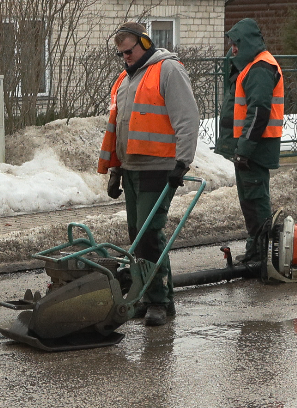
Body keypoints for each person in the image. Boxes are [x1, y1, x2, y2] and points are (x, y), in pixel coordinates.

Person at [99, 22, 199, 327]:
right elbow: (119, 128)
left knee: (148, 235)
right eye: (121, 53)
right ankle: (148, 294)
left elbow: (187, 118)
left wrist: (181, 164)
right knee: (136, 236)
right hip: (130, 169)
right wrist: (115, 169)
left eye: (129, 51)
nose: (125, 56)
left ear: (145, 43)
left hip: (159, 168)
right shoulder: (124, 80)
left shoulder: (168, 70)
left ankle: (159, 301)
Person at [214, 18, 284, 263]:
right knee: (251, 201)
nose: (232, 49)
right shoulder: (254, 66)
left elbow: (259, 111)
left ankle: (261, 253)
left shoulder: (261, 67)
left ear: (247, 43)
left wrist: (244, 149)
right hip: (251, 146)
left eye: (236, 44)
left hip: (255, 147)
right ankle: (257, 250)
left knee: (256, 200)